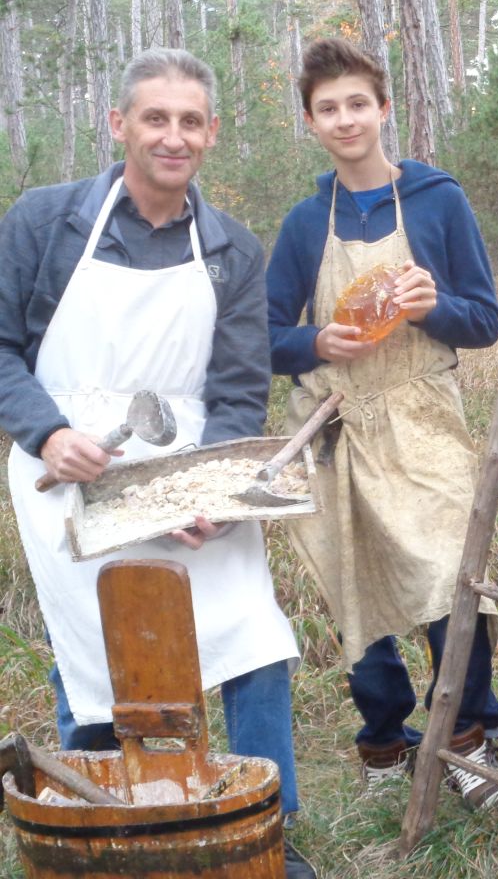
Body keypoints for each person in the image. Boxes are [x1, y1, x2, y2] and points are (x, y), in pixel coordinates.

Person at [0, 49, 315, 878]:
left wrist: (214, 491)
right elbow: (1, 348)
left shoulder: (232, 250)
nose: (172, 137)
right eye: (154, 118)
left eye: (188, 122)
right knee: (100, 654)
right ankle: (113, 838)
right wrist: (44, 431)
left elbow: (241, 390)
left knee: (252, 637)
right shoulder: (43, 221)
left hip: (190, 462)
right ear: (119, 125)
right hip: (71, 472)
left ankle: (265, 836)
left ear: (210, 134)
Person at [266, 38, 498, 808]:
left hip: (424, 419)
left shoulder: (439, 201)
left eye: (357, 104)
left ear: (384, 109)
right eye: (328, 108)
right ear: (311, 121)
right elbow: (264, 334)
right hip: (337, 423)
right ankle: (383, 743)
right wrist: (315, 341)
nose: (345, 120)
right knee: (356, 590)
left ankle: (468, 740)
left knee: (450, 583)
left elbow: (486, 320)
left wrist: (432, 306)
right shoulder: (307, 222)